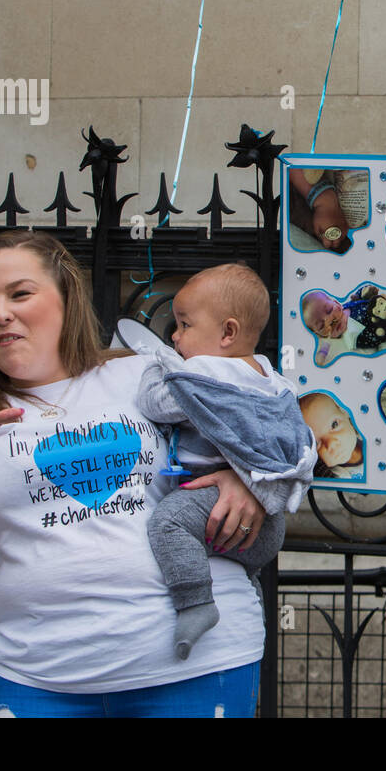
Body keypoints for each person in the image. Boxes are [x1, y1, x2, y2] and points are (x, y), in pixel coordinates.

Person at [0, 231, 268, 718]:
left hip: (196, 663)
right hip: (39, 676)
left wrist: (246, 479)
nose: (0, 313)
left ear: (66, 300)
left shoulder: (145, 374)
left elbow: (274, 419)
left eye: (20, 293)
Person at [135, 264, 315, 661]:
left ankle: (195, 602)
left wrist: (155, 363)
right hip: (268, 523)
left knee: (168, 521)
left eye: (183, 325)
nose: (176, 336)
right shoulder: (271, 379)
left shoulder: (205, 373)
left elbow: (157, 404)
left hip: (215, 502)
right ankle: (248, 587)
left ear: (227, 333)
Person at [299, 392, 364, 479]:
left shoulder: (368, 435)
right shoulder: (338, 476)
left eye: (334, 425)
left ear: (345, 413)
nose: (331, 444)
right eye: (317, 443)